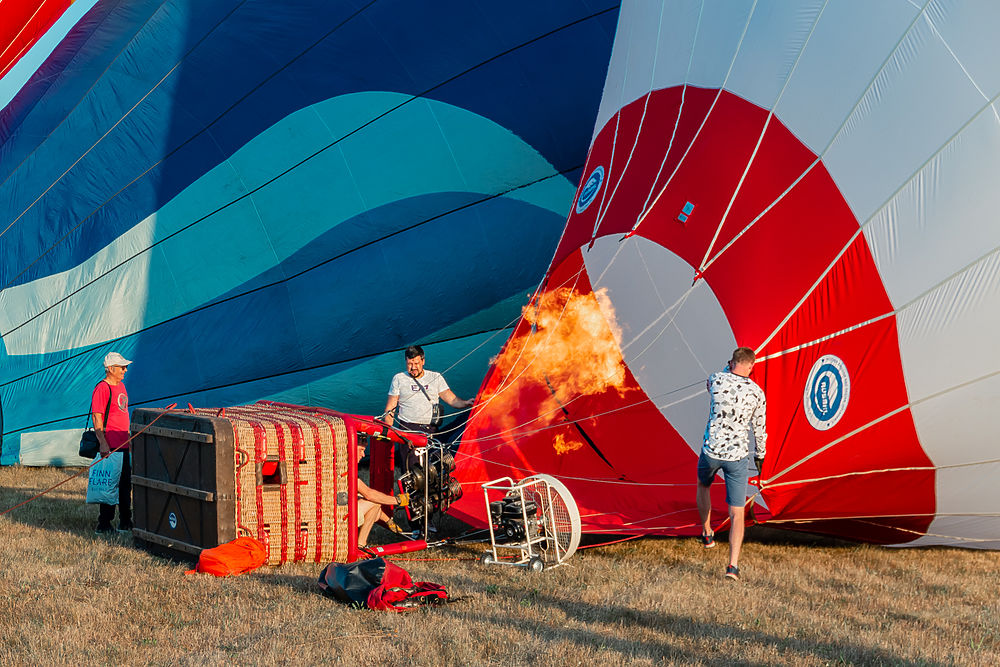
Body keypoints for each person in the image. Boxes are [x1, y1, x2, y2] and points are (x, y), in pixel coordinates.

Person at [696, 346, 766, 581]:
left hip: (711, 450)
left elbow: (714, 381)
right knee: (737, 513)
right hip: (737, 457)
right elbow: (759, 430)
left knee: (703, 485)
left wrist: (729, 367)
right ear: (750, 366)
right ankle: (732, 566)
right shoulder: (757, 393)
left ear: (732, 362)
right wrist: (761, 457)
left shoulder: (716, 379)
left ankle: (707, 532)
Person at [382, 345, 473, 437]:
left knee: (435, 451)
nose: (413, 367)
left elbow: (452, 400)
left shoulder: (435, 377)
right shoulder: (399, 378)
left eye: (416, 363)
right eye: (409, 364)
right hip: (408, 429)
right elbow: (390, 408)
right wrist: (387, 431)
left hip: (431, 429)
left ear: (423, 361)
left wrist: (466, 403)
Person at [92, 351, 134, 534]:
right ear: (110, 369)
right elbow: (97, 417)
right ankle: (104, 524)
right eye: (122, 367)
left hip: (124, 445)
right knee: (109, 486)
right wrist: (102, 443)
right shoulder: (102, 388)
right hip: (110, 446)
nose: (125, 370)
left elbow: (123, 414)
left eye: (125, 367)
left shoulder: (122, 386)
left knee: (125, 485)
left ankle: (126, 521)